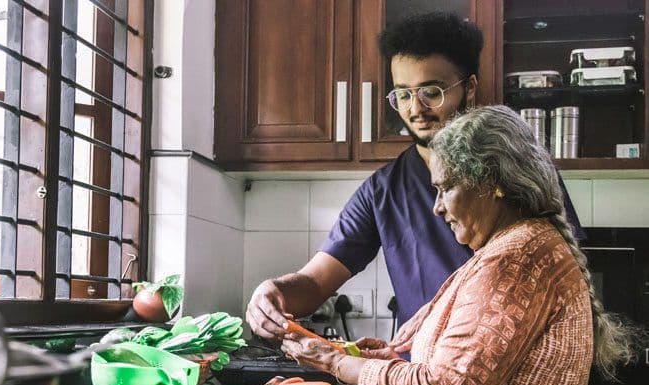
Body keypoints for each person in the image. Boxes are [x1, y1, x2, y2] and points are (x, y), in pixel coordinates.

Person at [281, 105, 636, 385]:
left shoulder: (515, 258)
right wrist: (378, 357)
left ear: (493, 182)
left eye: (445, 187)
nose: (437, 207)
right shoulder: (508, 249)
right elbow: (460, 366)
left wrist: (336, 362)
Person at [246, 12, 582, 344]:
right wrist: (275, 292)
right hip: (419, 381)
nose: (415, 109)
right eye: (403, 94)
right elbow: (316, 282)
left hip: (511, 374)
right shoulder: (382, 192)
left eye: (431, 92)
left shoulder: (518, 170)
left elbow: (564, 270)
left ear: (470, 88)